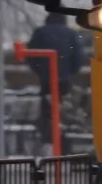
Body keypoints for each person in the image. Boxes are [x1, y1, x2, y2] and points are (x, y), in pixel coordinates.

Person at [27, 12, 85, 154]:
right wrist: (70, 72)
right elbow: (78, 58)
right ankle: (62, 144)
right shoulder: (71, 34)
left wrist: (41, 72)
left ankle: (48, 141)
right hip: (64, 80)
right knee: (63, 111)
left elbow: (31, 56)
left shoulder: (40, 33)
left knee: (47, 111)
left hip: (47, 80)